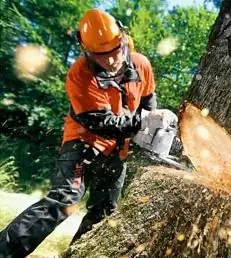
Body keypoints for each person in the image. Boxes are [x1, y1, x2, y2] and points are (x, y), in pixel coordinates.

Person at [0, 8, 158, 257]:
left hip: (118, 151)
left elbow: (148, 101)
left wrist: (153, 127)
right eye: (100, 55)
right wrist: (140, 122)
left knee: (104, 213)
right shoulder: (80, 74)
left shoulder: (141, 64)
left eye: (114, 51)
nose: (110, 60)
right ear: (87, 51)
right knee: (63, 201)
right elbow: (100, 122)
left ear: (123, 40)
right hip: (82, 145)